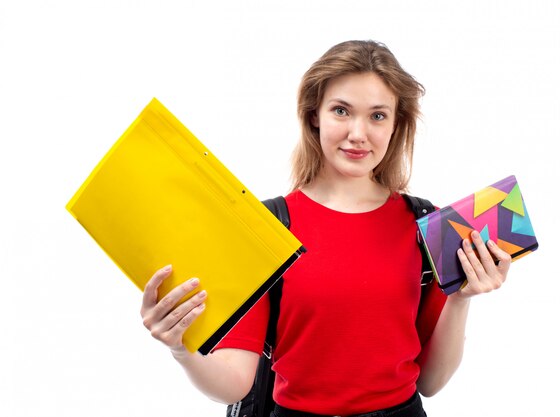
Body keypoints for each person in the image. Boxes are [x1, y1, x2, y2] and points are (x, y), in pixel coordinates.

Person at [140, 40, 512, 416]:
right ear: (314, 114)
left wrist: (460, 298)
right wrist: (181, 348)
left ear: (396, 123)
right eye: (341, 111)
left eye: (378, 116)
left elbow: (431, 382)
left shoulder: (426, 225)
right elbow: (235, 384)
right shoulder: (268, 228)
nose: (358, 133)